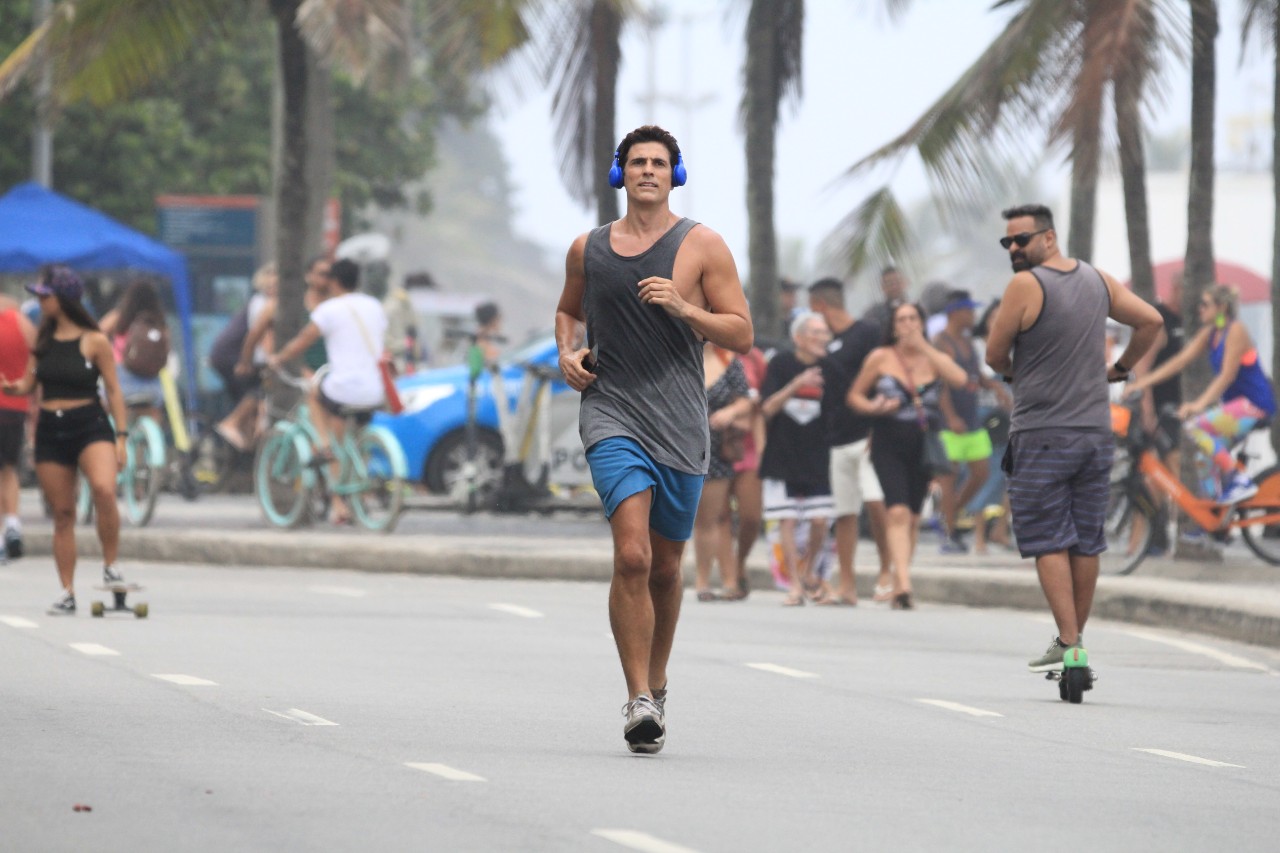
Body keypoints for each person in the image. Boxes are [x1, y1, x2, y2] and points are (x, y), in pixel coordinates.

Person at [555, 124, 752, 754]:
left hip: (679, 420)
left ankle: (658, 683)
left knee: (667, 567)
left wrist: (684, 309)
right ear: (620, 174)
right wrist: (567, 352)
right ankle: (637, 695)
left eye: (658, 163)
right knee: (633, 555)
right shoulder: (588, 248)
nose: (647, 171)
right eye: (636, 162)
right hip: (610, 409)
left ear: (675, 174)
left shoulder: (703, 245)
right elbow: (568, 309)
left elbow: (741, 332)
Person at [985, 203, 1162, 672]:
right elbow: (1151, 322)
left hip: (1042, 433)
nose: (1014, 249)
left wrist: (1015, 374)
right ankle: (1075, 644)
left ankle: (1069, 641)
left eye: (1021, 239)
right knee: (1086, 540)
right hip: (1094, 434)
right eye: (1008, 242)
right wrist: (1120, 371)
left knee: (1048, 539)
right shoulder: (1099, 280)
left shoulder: (1026, 285)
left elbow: (993, 354)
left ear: (1049, 238)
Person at [0, 266, 129, 615]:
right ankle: (67, 591)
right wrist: (12, 387)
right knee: (63, 513)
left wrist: (121, 436)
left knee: (104, 489)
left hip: (89, 423)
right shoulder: (41, 340)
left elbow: (114, 391)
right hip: (51, 430)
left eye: (46, 295)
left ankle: (111, 563)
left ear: (66, 299)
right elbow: (30, 384)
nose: (39, 301)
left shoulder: (94, 340)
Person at [848, 301, 968, 610]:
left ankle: (900, 575)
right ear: (892, 326)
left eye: (913, 318)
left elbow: (960, 380)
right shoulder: (881, 357)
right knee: (897, 511)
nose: (908, 325)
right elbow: (855, 396)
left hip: (923, 442)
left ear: (923, 323)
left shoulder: (935, 356)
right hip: (888, 440)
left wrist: (925, 348)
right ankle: (903, 584)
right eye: (901, 320)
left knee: (913, 515)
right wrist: (874, 407)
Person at [1126, 283, 1277, 505]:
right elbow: (1179, 361)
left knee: (1195, 426)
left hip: (1254, 405)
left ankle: (1238, 480)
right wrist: (1142, 383)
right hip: (1236, 408)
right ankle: (1213, 517)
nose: (1200, 309)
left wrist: (1197, 405)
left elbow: (1227, 375)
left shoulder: (1236, 330)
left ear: (1222, 307)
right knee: (1203, 458)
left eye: (1205, 304)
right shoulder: (1211, 333)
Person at [268, 258, 387, 525]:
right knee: (352, 442)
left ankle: (322, 446)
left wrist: (278, 358)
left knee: (314, 396)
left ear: (334, 281)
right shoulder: (374, 306)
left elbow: (303, 340)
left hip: (343, 389)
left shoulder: (329, 309)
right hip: (376, 390)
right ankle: (353, 497)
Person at [807, 276, 889, 606]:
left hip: (867, 433)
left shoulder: (866, 332)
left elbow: (882, 375)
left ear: (821, 305)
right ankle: (848, 586)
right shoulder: (826, 343)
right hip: (837, 437)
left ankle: (888, 572)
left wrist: (878, 426)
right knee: (844, 512)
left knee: (875, 501)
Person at [759, 312, 835, 607]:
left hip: (817, 455)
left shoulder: (831, 369)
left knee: (820, 520)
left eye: (824, 333)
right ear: (798, 338)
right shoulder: (781, 364)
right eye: (815, 333)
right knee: (786, 521)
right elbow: (766, 408)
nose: (822, 338)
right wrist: (798, 383)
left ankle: (808, 571)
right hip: (782, 454)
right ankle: (794, 584)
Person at [932, 289, 1010, 554]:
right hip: (949, 424)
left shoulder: (966, 341)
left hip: (971, 420)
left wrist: (995, 388)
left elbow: (976, 374)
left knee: (981, 473)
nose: (974, 315)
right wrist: (951, 417)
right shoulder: (940, 342)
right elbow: (939, 383)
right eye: (970, 310)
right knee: (949, 478)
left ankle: (951, 516)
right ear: (956, 312)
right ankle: (948, 533)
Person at [691, 342, 753, 601]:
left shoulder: (729, 361)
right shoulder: (676, 355)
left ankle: (702, 581)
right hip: (680, 444)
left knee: (710, 518)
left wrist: (729, 412)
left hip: (716, 449)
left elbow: (745, 402)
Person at [213, 262, 279, 451]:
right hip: (232, 357)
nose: (273, 289)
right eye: (270, 286)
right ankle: (231, 424)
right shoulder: (261, 304)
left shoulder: (263, 302)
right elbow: (261, 337)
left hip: (236, 356)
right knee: (260, 389)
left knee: (254, 397)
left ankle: (249, 445)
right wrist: (272, 359)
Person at [100, 278, 169, 426]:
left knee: (104, 407)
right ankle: (156, 445)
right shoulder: (159, 322)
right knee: (152, 414)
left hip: (121, 377)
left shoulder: (120, 317)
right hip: (152, 380)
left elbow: (97, 333)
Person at [0, 292, 36, 560]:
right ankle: (12, 524)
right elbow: (39, 358)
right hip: (15, 406)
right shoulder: (21, 321)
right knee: (9, 469)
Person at [863, 265, 910, 331]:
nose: (894, 287)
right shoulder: (874, 314)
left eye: (897, 282)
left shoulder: (916, 309)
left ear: (904, 283)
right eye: (890, 283)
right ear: (883, 287)